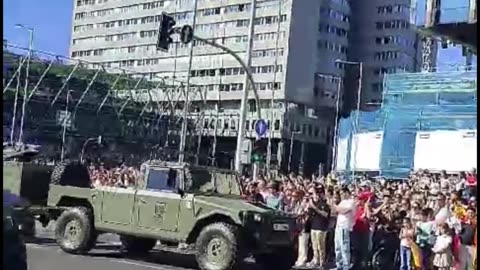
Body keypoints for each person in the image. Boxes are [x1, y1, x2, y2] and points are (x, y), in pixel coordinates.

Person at [330, 186, 356, 270]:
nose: (341, 195)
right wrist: (336, 207)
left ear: (346, 192)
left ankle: (346, 266)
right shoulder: (342, 202)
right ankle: (339, 265)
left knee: (344, 247)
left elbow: (344, 210)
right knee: (337, 247)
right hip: (338, 226)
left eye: (342, 193)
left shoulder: (351, 202)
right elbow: (334, 211)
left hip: (345, 226)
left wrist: (336, 207)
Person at [307, 187, 330, 268]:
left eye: (317, 194)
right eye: (313, 194)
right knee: (314, 246)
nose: (315, 196)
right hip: (314, 227)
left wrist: (315, 208)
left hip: (321, 228)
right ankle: (316, 261)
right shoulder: (312, 204)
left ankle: (322, 262)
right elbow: (309, 214)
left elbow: (326, 214)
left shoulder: (324, 204)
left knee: (321, 246)